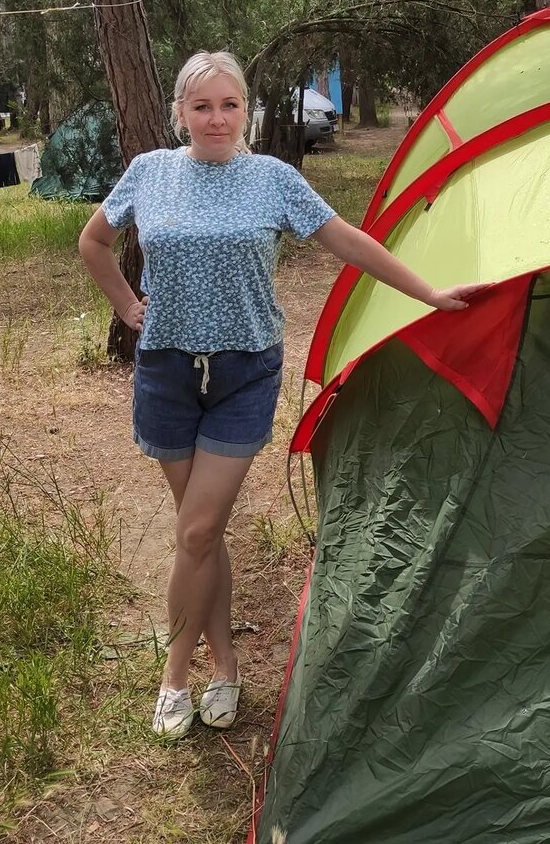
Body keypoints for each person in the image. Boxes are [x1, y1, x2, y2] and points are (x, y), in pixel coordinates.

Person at [78, 51, 483, 740]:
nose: (215, 118)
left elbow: (348, 242)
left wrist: (428, 292)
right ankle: (226, 665)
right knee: (197, 537)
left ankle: (173, 676)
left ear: (247, 112)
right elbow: (93, 241)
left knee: (198, 531)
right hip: (167, 374)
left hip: (244, 375)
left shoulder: (271, 180)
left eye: (229, 105)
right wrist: (125, 305)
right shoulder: (150, 172)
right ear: (179, 113)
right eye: (201, 106)